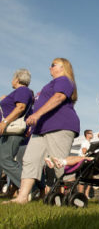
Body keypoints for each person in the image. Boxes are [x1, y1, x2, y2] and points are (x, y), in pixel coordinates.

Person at [5, 58, 79, 205]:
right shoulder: (49, 84)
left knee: (59, 163)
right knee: (30, 160)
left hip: (59, 125)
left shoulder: (64, 80)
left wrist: (37, 115)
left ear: (63, 67)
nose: (50, 67)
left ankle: (72, 196)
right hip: (41, 128)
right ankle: (22, 197)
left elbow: (59, 97)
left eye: (53, 65)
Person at [0, 69, 34, 198]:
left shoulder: (22, 90)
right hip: (7, 132)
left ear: (17, 79)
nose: (11, 81)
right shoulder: (18, 92)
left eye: (13, 78)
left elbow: (20, 107)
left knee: (6, 160)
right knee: (3, 160)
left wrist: (5, 122)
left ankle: (26, 189)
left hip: (12, 131)